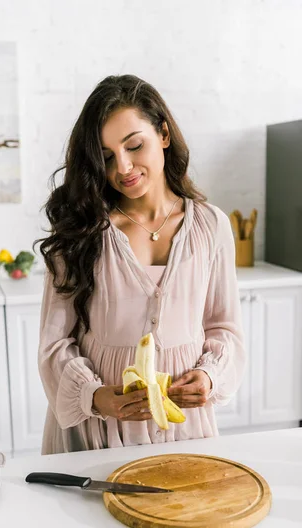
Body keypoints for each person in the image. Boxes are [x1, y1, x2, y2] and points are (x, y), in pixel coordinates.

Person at [33, 74, 245, 455]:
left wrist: (210, 378)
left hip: (185, 428)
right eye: (108, 156)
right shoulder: (81, 231)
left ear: (163, 133)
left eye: (134, 145)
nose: (124, 167)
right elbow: (54, 343)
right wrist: (95, 397)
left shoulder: (211, 225)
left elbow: (223, 326)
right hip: (97, 431)